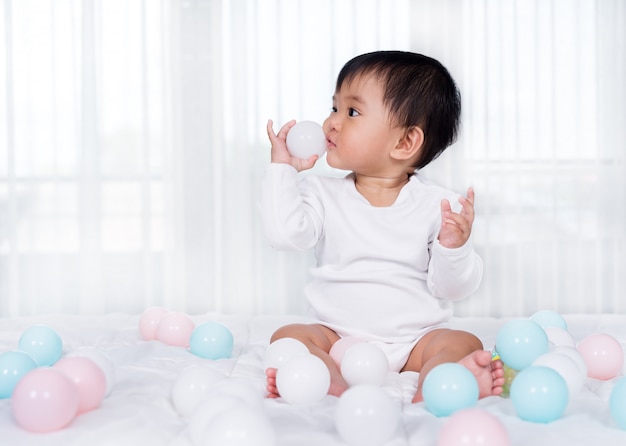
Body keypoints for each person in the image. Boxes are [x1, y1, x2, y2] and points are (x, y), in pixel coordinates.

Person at [259, 50, 504, 403]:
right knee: (289, 335)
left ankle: (441, 384)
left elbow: (453, 288)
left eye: (352, 112)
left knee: (462, 342)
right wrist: (282, 171)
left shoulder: (439, 205)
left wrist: (455, 247)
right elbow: (283, 235)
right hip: (337, 337)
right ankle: (329, 377)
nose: (331, 123)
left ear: (405, 143)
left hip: (415, 342)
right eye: (334, 108)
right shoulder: (321, 193)